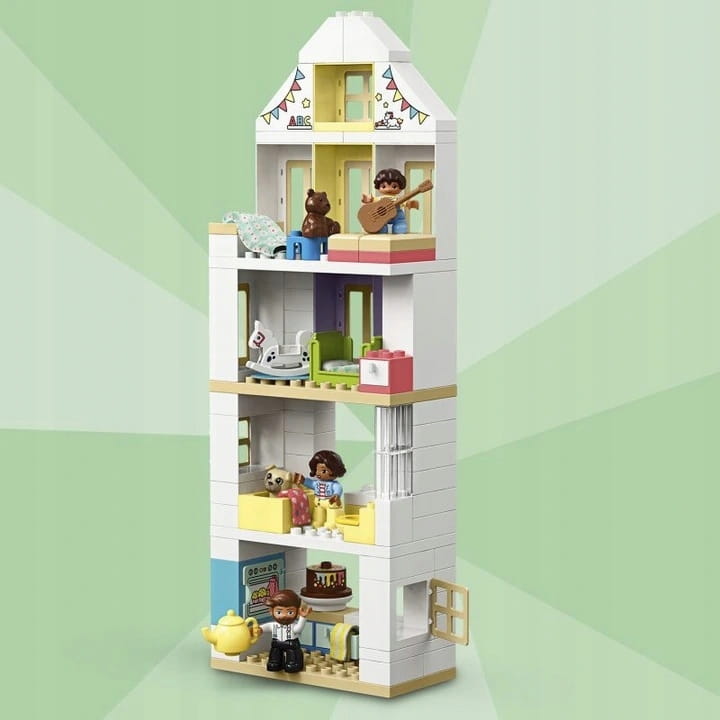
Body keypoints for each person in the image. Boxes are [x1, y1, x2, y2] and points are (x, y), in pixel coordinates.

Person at [256, 589, 311, 673]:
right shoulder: (273, 625)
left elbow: (299, 628)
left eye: (290, 612)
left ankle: (293, 664)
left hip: (291, 643)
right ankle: (275, 663)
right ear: (271, 611)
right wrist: (259, 629)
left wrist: (303, 617)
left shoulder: (293, 626)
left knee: (292, 655)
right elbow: (265, 627)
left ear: (297, 612)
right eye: (279, 612)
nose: (284, 616)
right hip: (276, 643)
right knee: (275, 653)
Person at [360, 168, 419, 234]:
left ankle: (399, 226)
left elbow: (405, 202)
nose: (388, 189)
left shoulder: (399, 199)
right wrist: (368, 200)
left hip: (397, 215)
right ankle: (382, 228)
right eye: (383, 186)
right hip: (381, 216)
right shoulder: (380, 199)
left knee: (400, 225)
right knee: (381, 229)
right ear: (378, 187)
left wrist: (410, 204)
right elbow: (372, 201)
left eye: (394, 186)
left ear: (401, 186)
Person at [300, 450, 347, 528]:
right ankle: (318, 521)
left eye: (323, 471)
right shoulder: (317, 483)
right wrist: (303, 480)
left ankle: (331, 523)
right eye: (317, 470)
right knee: (318, 512)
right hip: (319, 503)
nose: (318, 473)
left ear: (334, 470)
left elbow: (338, 488)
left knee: (332, 512)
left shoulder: (334, 484)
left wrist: (336, 495)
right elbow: (311, 483)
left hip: (330, 502)